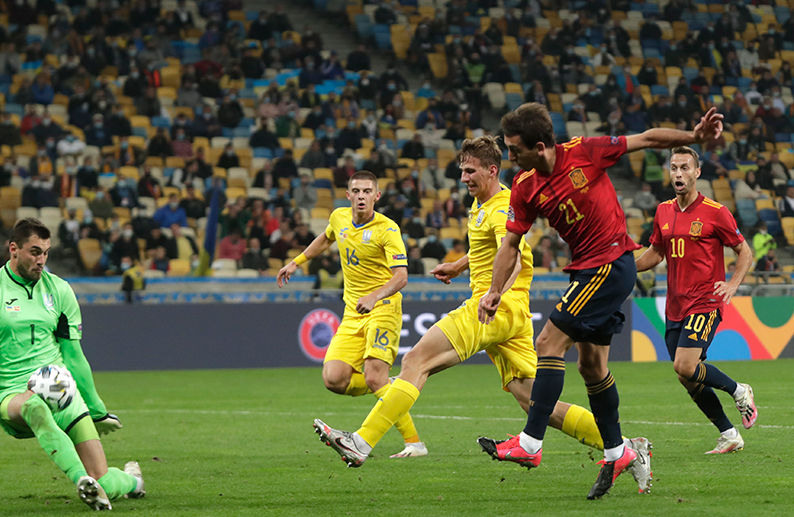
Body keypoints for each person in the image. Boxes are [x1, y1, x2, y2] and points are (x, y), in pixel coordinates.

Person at [307, 139, 650, 488]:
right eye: (461, 170)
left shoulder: (501, 207)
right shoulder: (483, 204)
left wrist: (494, 294)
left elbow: (513, 254)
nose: (463, 177)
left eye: (470, 171)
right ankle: (625, 447)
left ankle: (360, 443)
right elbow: (492, 249)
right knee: (529, 396)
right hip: (511, 313)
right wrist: (459, 265)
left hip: (494, 308)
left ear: (491, 170)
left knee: (416, 362)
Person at [479, 103, 723, 499]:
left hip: (611, 264)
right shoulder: (525, 186)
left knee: (547, 344)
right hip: (587, 271)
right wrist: (494, 289)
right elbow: (510, 243)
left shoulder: (585, 152)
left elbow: (645, 139)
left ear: (540, 146)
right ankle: (618, 451)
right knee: (592, 367)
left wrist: (694, 138)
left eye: (514, 149)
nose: (509, 157)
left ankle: (530, 443)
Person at [0, 218, 144, 509]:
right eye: (34, 252)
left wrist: (96, 408)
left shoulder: (60, 290)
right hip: (11, 395)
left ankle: (132, 481)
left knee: (105, 480)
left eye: (45, 252)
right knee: (34, 405)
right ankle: (81, 480)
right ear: (14, 249)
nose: (41, 259)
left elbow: (74, 356)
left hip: (60, 387)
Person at [278, 171, 427, 459]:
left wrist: (374, 296)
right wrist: (296, 262)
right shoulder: (339, 217)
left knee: (373, 377)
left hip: (383, 308)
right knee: (334, 379)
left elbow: (401, 277)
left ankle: (414, 443)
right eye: (356, 191)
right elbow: (325, 238)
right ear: (348, 195)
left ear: (377, 196)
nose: (361, 196)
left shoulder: (388, 229)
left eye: (367, 191)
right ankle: (390, 387)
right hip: (353, 312)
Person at [635, 146, 757, 454]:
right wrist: (625, 266)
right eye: (674, 168)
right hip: (674, 306)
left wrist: (733, 283)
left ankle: (739, 390)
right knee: (686, 376)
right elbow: (657, 253)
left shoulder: (716, 211)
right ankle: (729, 434)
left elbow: (745, 251)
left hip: (704, 302)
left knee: (685, 365)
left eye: (685, 168)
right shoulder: (663, 211)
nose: (678, 174)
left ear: (697, 172)